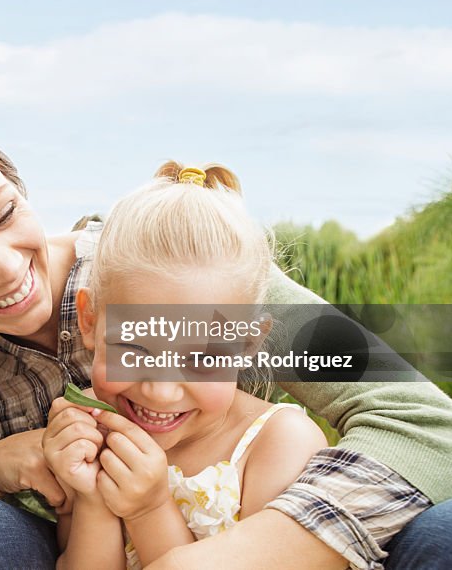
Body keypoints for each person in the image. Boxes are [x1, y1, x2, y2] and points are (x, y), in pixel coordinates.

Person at [0, 100, 452, 569]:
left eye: (5, 212)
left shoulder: (182, 265)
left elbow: (432, 433)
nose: (4, 265)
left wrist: (232, 553)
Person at [44, 163, 329, 569]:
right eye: (135, 350)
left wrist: (149, 509)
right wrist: (91, 498)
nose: (160, 391)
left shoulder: (280, 445)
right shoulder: (90, 424)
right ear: (89, 321)